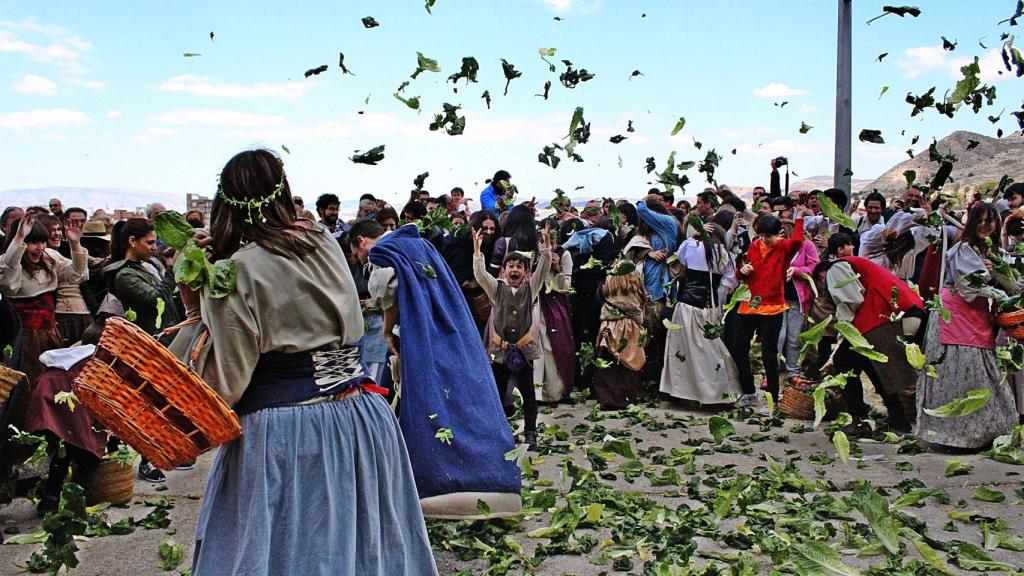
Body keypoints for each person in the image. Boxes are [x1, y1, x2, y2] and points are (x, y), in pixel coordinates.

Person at [177, 150, 437, 575]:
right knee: (359, 551)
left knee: (296, 554)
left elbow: (222, 387)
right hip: (362, 420)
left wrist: (194, 307)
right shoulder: (322, 242)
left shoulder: (233, 272)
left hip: (288, 435)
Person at [367, 222, 522, 519]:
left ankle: (439, 481)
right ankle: (493, 476)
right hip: (454, 338)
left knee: (427, 400)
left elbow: (387, 294)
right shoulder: (428, 255)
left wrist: (388, 330)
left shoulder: (387, 256)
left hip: (421, 340)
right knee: (468, 398)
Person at [916, 203, 1019, 449]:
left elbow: (1009, 280)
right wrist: (994, 282)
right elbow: (969, 285)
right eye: (981, 221)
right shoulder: (963, 249)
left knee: (982, 375)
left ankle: (984, 433)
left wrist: (1013, 287)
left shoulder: (990, 250)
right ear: (973, 223)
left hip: (975, 315)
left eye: (991, 221)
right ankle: (955, 436)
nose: (986, 226)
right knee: (958, 376)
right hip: (955, 315)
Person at [824, 251, 925, 433]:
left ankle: (859, 419)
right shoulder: (853, 264)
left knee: (843, 362)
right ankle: (898, 418)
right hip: (903, 311)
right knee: (876, 367)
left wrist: (840, 343)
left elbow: (852, 301)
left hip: (881, 316)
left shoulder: (833, 269)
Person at [473, 224, 551, 449]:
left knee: (528, 394)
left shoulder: (531, 288)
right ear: (504, 271)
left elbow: (543, 269)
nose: (515, 269)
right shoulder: (496, 289)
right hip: (500, 351)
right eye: (511, 266)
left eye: (519, 266)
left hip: (524, 351)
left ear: (526, 272)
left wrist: (545, 248)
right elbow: (480, 275)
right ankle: (498, 431)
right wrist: (478, 253)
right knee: (498, 394)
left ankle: (531, 432)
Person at [729, 210, 807, 406]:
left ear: (778, 233)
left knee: (769, 353)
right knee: (739, 347)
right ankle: (748, 391)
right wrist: (742, 271)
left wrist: (799, 218)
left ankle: (772, 397)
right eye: (762, 235)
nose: (765, 240)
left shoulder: (784, 247)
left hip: (773, 306)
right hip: (750, 303)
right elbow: (744, 272)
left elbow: (798, 241)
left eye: (769, 236)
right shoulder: (755, 246)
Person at [0, 214, 87, 384]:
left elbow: (76, 275)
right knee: (25, 382)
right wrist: (19, 238)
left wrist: (75, 243)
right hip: (21, 336)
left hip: (49, 331)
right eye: (33, 242)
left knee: (52, 380)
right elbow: (10, 283)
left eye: (42, 242)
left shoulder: (49, 258)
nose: (40, 247)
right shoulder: (7, 263)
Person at [660, 223, 741, 404]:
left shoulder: (690, 246)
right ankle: (714, 392)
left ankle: (685, 393)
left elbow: (680, 256)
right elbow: (729, 285)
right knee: (709, 351)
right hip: (710, 307)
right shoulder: (726, 255)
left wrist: (694, 234)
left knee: (685, 350)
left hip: (686, 307)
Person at [592, 260, 648, 409]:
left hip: (607, 328)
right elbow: (638, 311)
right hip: (629, 328)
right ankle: (625, 399)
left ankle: (607, 399)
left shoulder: (608, 287)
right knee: (627, 367)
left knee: (608, 366)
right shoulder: (633, 287)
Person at [533, 221, 575, 403]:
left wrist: (557, 269)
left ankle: (553, 391)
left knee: (553, 345)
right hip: (536, 302)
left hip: (555, 303)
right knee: (536, 347)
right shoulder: (534, 253)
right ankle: (535, 393)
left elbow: (567, 286)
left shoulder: (564, 254)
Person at [777, 219, 820, 382]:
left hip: (797, 298)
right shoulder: (777, 246)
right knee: (778, 336)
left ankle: (793, 370)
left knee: (794, 337)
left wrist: (797, 271)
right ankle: (772, 370)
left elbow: (815, 266)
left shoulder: (807, 246)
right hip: (778, 298)